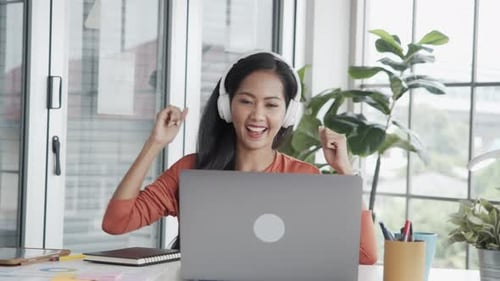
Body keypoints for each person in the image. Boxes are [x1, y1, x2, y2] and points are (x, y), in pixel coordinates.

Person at [102, 51, 378, 265]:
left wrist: (345, 172)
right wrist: (155, 143)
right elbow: (116, 222)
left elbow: (365, 255)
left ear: (287, 115)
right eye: (246, 101)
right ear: (226, 106)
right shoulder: (192, 171)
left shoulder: (303, 178)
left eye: (271, 105)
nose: (258, 115)